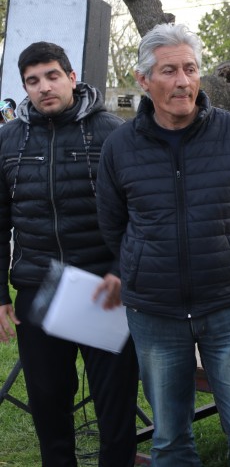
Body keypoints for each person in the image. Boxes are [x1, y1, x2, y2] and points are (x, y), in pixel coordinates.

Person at [96, 23, 230, 466]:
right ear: (144, 81)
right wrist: (144, 269)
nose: (182, 81)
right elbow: (113, 224)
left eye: (190, 68)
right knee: (169, 443)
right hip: (155, 315)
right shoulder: (120, 146)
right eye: (168, 71)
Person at [0, 42, 139, 466]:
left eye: (52, 75)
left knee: (115, 414)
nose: (44, 87)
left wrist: (119, 271)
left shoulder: (114, 132)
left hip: (102, 290)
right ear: (24, 86)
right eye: (33, 80)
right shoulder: (7, 140)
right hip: (38, 292)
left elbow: (140, 214)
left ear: (72, 77)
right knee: (48, 409)